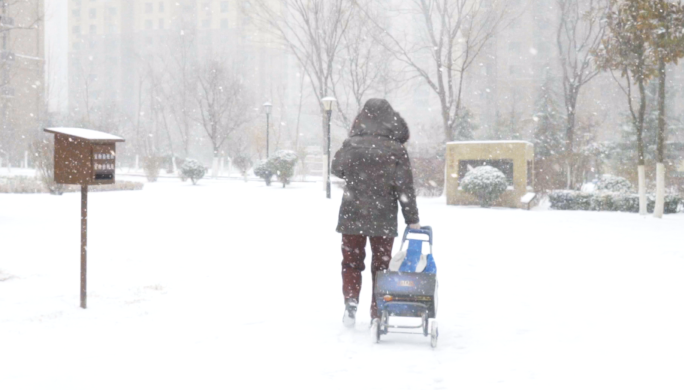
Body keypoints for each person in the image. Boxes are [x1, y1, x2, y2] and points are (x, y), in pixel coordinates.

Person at [331, 98, 420, 328]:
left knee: (351, 262)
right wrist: (413, 220)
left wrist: (357, 167)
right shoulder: (396, 149)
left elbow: (337, 168)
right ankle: (377, 312)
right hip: (383, 216)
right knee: (381, 267)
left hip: (353, 214)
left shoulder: (352, 144)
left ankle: (351, 302)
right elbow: (405, 188)